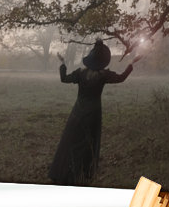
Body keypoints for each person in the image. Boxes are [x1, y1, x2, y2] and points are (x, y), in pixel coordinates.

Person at [48, 39, 133, 185]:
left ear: (90, 58)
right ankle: (85, 172)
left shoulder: (80, 73)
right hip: (94, 112)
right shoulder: (104, 75)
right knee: (90, 142)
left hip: (78, 112)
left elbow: (64, 78)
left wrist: (62, 63)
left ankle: (62, 171)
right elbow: (121, 78)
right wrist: (132, 64)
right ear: (103, 61)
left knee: (70, 141)